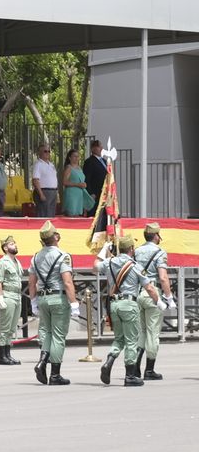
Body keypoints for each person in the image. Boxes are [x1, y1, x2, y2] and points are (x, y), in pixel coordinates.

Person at [100, 235, 158, 387]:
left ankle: (109, 361)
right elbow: (149, 287)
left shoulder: (109, 262)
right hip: (129, 304)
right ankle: (130, 376)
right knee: (131, 340)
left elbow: (94, 267)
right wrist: (157, 301)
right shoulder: (135, 266)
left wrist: (103, 250)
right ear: (132, 249)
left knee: (119, 338)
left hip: (114, 304)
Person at [29, 221, 80, 386]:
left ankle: (42, 361)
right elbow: (67, 282)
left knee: (48, 333)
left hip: (43, 298)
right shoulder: (63, 256)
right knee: (58, 336)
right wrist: (74, 303)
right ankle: (55, 374)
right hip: (58, 298)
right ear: (56, 237)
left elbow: (31, 282)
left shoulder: (35, 257)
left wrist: (33, 301)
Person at [134, 222, 174, 380]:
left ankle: (135, 368)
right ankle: (149, 370)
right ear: (157, 235)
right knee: (153, 333)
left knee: (141, 332)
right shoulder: (159, 252)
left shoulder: (136, 251)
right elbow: (163, 277)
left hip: (138, 292)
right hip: (153, 293)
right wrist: (169, 297)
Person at [0, 235, 25, 365]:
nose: (15, 245)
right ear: (5, 248)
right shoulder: (2, 263)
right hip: (8, 295)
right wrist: (0, 298)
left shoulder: (17, 262)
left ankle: (8, 354)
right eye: (11, 244)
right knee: (4, 327)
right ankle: (2, 356)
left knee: (12, 328)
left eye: (14, 243)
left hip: (17, 296)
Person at [31, 144, 59, 218]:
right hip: (44, 191)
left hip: (53, 192)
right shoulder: (38, 164)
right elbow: (35, 180)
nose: (47, 153)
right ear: (39, 153)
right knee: (43, 214)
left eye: (49, 151)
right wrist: (41, 194)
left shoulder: (51, 165)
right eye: (45, 151)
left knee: (51, 214)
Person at [61, 149, 90, 216]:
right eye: (74, 156)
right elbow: (64, 182)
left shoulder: (79, 168)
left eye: (78, 156)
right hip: (71, 194)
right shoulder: (69, 168)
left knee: (78, 214)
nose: (76, 158)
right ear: (70, 158)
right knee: (71, 213)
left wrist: (84, 184)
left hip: (79, 194)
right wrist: (77, 184)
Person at [83, 139, 108, 204]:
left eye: (101, 147)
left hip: (105, 192)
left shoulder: (104, 161)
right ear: (93, 149)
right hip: (96, 193)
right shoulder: (89, 162)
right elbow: (87, 178)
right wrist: (91, 192)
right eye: (99, 147)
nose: (101, 149)